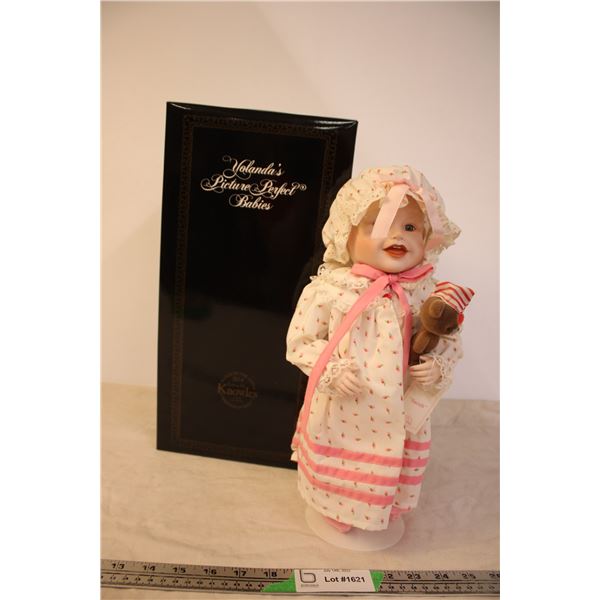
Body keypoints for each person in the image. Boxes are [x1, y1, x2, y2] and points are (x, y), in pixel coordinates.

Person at [286, 165, 471, 533]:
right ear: (347, 235)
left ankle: (388, 502)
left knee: (395, 452)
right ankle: (336, 504)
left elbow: (449, 338)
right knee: (342, 454)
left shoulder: (426, 293)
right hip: (345, 404)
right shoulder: (330, 289)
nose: (397, 236)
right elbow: (301, 341)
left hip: (399, 403)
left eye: (410, 227)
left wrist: (437, 365)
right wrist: (330, 370)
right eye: (379, 225)